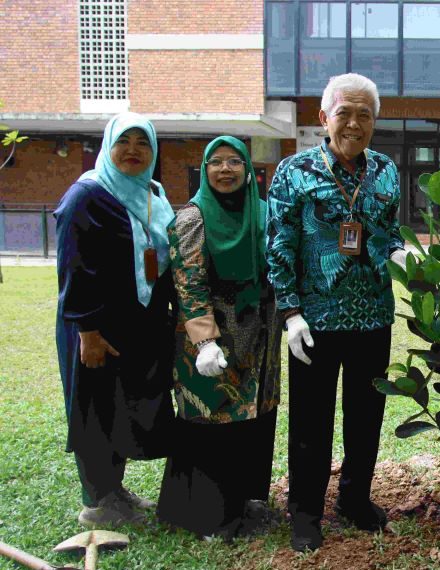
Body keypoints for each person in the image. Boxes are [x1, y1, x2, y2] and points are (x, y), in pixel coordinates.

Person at [266, 73, 407, 552]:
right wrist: (290, 312)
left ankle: (354, 499)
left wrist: (401, 253)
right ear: (324, 118)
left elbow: (388, 232)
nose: (354, 123)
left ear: (375, 121)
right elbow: (279, 243)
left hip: (373, 317)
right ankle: (305, 512)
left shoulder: (386, 170)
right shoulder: (294, 171)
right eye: (344, 112)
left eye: (364, 114)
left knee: (366, 417)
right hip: (314, 322)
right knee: (311, 420)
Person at [54, 112, 176, 527]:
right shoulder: (86, 196)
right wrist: (88, 331)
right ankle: (97, 503)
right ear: (108, 146)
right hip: (96, 327)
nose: (133, 151)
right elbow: (74, 267)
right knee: (94, 406)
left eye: (143, 143)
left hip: (136, 325)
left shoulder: (150, 193)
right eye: (124, 142)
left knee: (120, 406)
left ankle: (114, 490)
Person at [157, 136, 281, 540]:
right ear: (204, 170)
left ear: (248, 170)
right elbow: (188, 283)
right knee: (211, 422)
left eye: (234, 162)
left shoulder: (263, 213)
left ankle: (244, 502)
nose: (225, 170)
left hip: (259, 340)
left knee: (252, 421)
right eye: (216, 162)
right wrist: (204, 340)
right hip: (213, 341)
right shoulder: (193, 218)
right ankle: (209, 515)